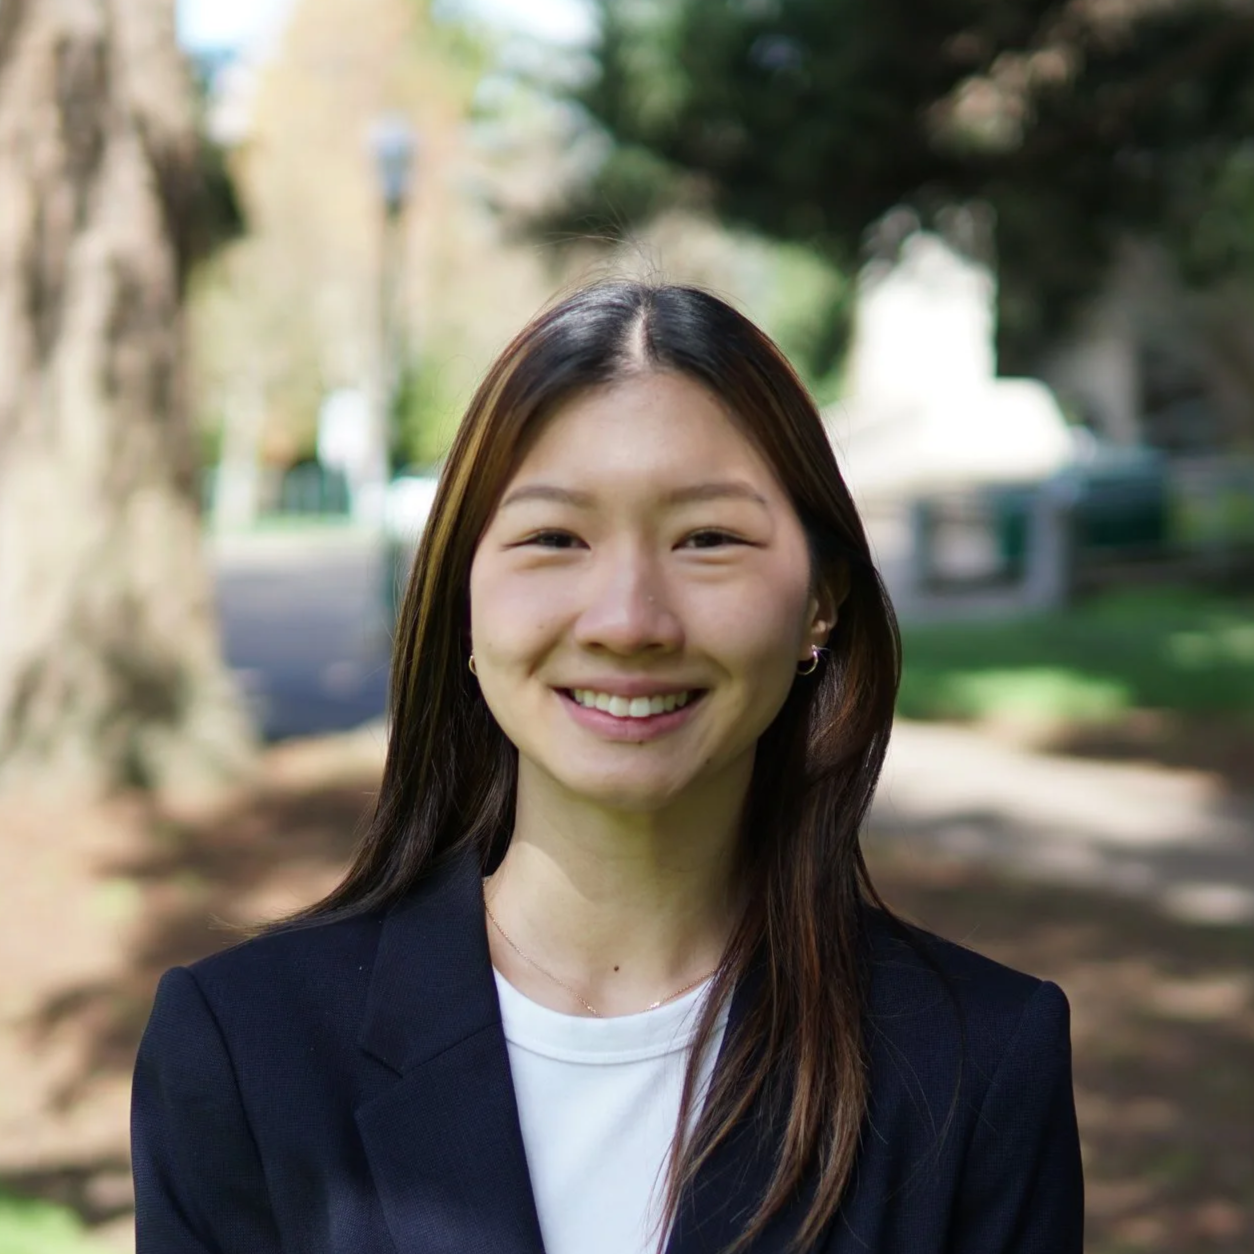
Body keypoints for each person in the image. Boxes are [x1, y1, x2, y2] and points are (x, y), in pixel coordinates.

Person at [131, 281, 1084, 1254]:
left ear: (820, 605)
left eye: (707, 539)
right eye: (555, 538)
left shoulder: (978, 1064)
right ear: (465, 601)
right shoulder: (248, 1048)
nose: (628, 620)